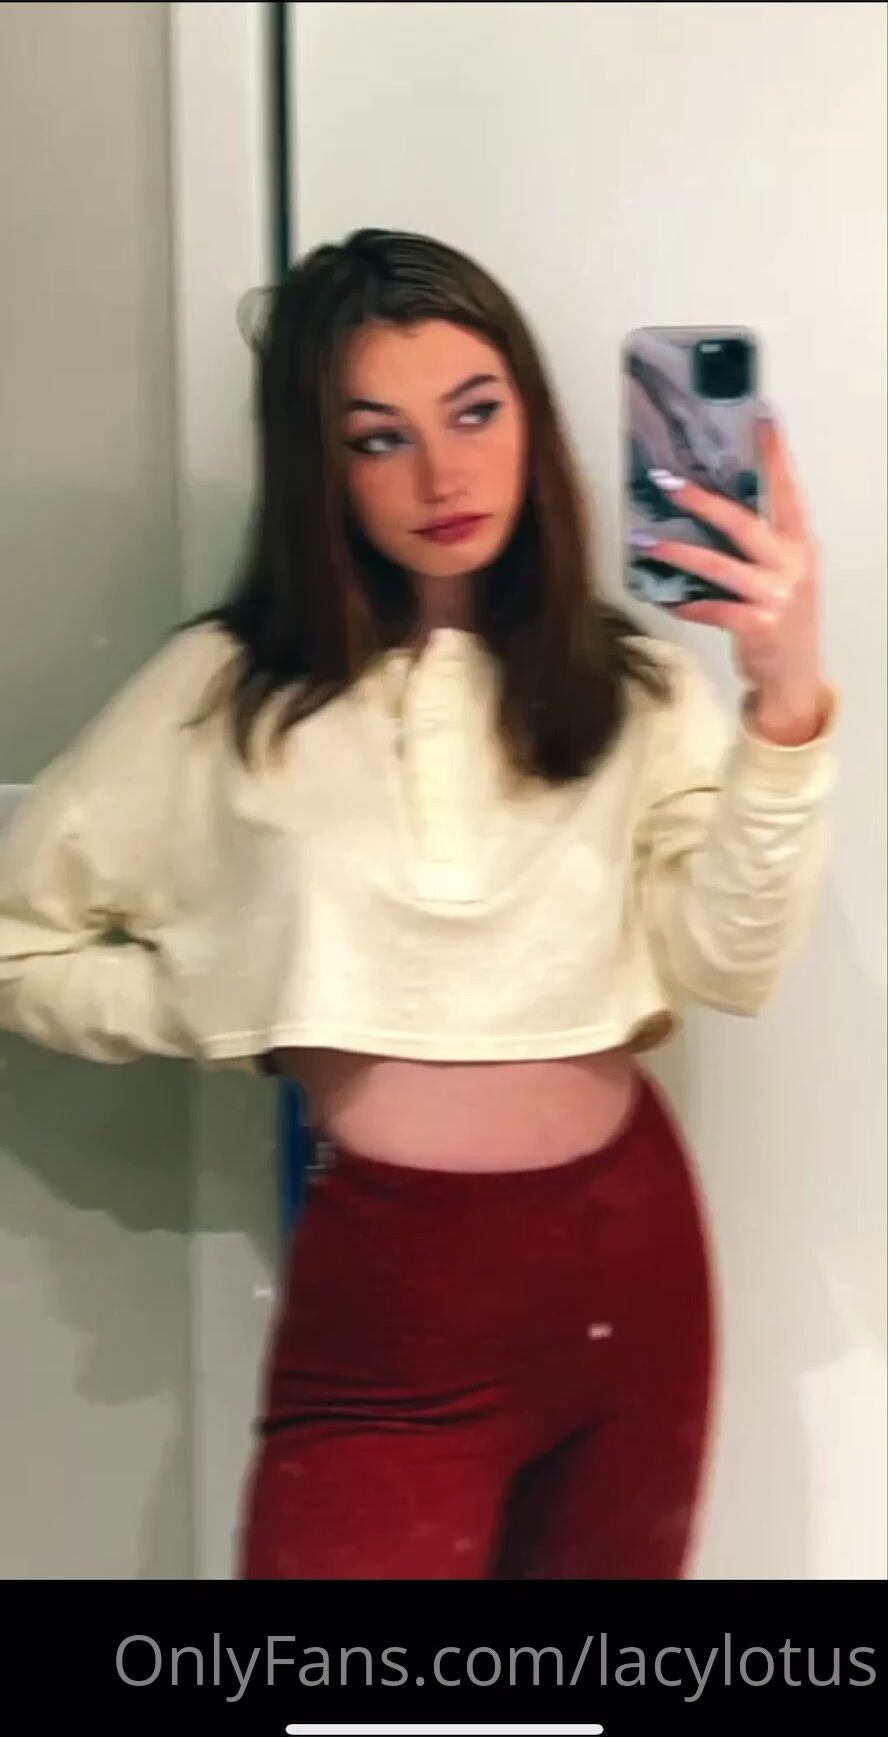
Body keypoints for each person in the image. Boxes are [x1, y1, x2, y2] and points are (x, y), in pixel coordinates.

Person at [0, 228, 837, 1580]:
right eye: (379, 438)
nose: (443, 475)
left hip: (629, 1267)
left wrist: (785, 701)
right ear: (319, 467)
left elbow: (729, 963)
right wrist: (222, 988)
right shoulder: (226, 695)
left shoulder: (634, 689)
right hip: (396, 1293)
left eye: (476, 412)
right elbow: (17, 942)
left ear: (533, 417)